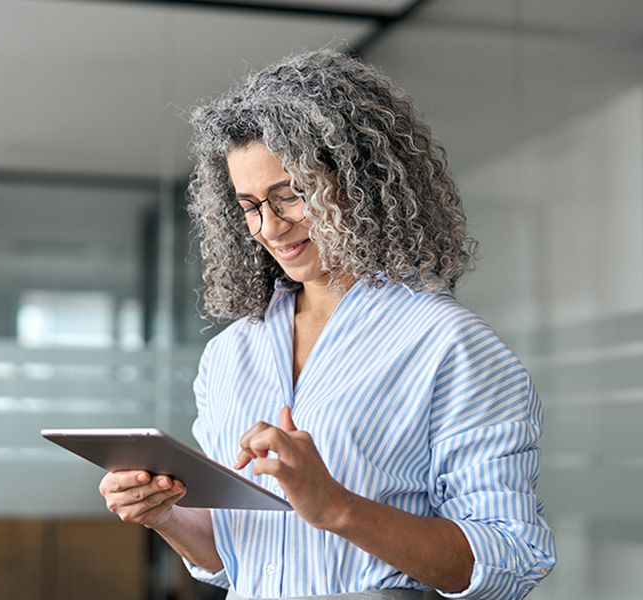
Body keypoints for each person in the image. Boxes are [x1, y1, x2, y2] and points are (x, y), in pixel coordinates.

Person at [98, 49, 556, 600]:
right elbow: (235, 558)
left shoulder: (447, 344)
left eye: (290, 194)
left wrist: (337, 507)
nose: (269, 227)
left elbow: (510, 558)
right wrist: (165, 515)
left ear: (359, 182)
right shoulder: (229, 354)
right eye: (249, 206)